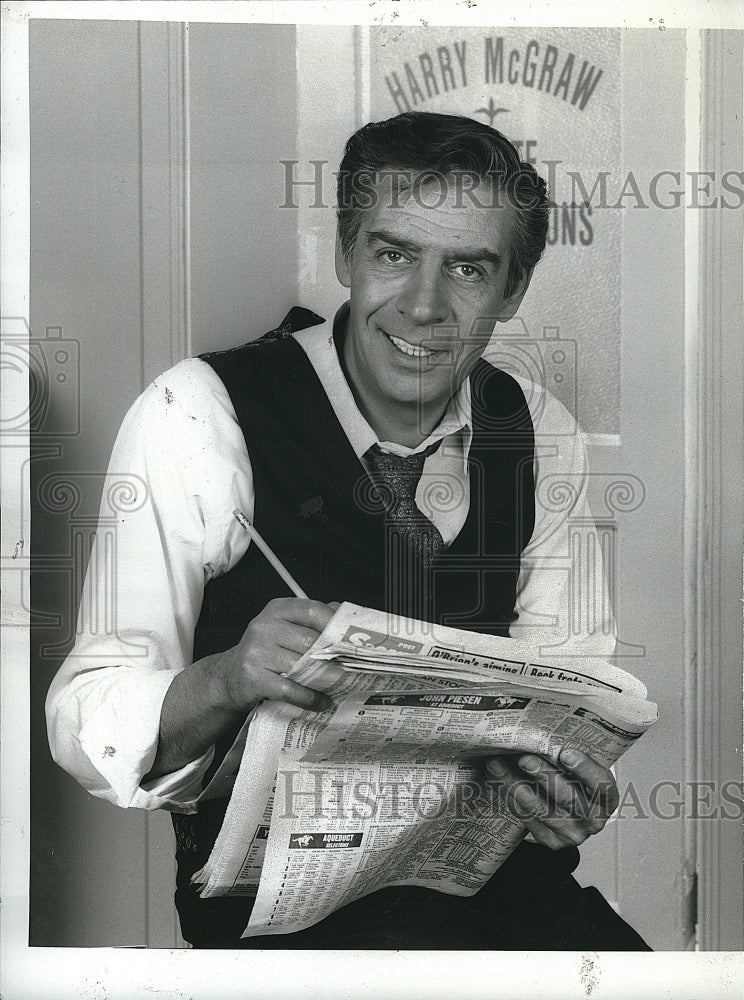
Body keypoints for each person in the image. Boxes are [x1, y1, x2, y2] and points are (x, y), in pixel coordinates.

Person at [46, 111, 650, 950]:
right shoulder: (198, 412)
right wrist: (224, 678)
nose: (424, 305)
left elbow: (570, 692)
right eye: (393, 253)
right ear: (345, 252)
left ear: (512, 291)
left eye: (469, 268)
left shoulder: (539, 432)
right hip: (285, 923)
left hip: (499, 898)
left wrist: (570, 790)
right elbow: (82, 720)